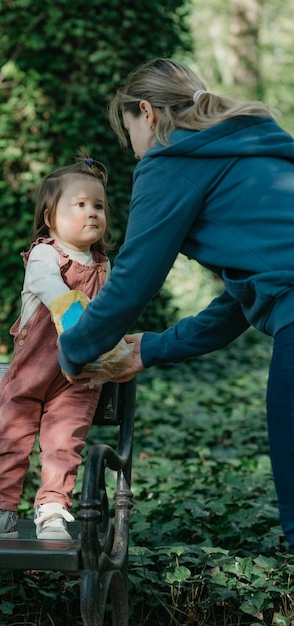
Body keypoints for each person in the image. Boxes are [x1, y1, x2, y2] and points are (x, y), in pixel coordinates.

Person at [58, 58, 294, 552]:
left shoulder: (169, 160)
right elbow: (242, 297)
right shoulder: (250, 149)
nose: (135, 151)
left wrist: (72, 350)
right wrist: (150, 349)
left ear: (147, 112)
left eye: (130, 134)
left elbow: (131, 283)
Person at [0, 155, 114, 541]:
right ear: (49, 216)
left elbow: (111, 314)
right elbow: (52, 290)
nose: (92, 212)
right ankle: (0, 512)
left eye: (99, 205)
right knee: (11, 438)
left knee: (65, 443)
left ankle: (53, 511)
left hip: (77, 378)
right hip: (30, 374)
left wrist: (114, 347)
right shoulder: (45, 255)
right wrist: (79, 326)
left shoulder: (104, 265)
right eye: (80, 204)